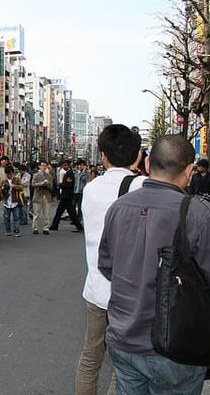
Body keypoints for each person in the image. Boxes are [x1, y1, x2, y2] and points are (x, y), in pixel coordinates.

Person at [98, 134, 210, 393]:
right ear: (189, 170)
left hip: (123, 338)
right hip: (176, 344)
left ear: (147, 164)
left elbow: (107, 266)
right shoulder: (197, 212)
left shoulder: (119, 207)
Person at [75, 124, 145, 395]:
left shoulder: (91, 188)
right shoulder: (142, 186)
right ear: (137, 156)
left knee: (90, 358)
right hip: (131, 295)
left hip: (96, 289)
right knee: (124, 364)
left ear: (102, 155)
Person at [49, 160, 83, 232]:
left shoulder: (69, 173)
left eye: (66, 165)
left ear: (69, 165)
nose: (64, 167)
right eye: (63, 165)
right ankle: (54, 225)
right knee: (60, 211)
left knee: (71, 212)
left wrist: (60, 185)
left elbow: (69, 184)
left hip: (67, 195)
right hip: (65, 195)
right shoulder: (68, 173)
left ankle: (79, 226)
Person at [31, 161, 54, 235]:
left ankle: (46, 228)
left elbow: (51, 187)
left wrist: (47, 184)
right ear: (39, 166)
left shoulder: (49, 176)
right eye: (42, 165)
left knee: (47, 214)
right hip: (38, 195)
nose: (44, 167)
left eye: (45, 166)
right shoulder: (36, 175)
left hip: (47, 196)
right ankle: (35, 228)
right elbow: (33, 184)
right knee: (36, 213)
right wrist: (41, 183)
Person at [0, 165, 24, 237]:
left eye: (10, 174)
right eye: (7, 174)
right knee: (6, 217)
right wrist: (2, 188)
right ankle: (8, 230)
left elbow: (22, 187)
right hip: (6, 201)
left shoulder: (16, 179)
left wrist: (15, 186)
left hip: (15, 200)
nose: (9, 175)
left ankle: (16, 230)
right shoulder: (3, 180)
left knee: (16, 217)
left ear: (12, 173)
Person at [73, 159, 90, 223]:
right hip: (75, 191)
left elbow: (84, 179)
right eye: (79, 165)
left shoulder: (86, 173)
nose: (80, 166)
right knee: (73, 205)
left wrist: (82, 172)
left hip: (81, 192)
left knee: (80, 207)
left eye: (82, 165)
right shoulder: (75, 172)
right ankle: (74, 219)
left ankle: (79, 219)